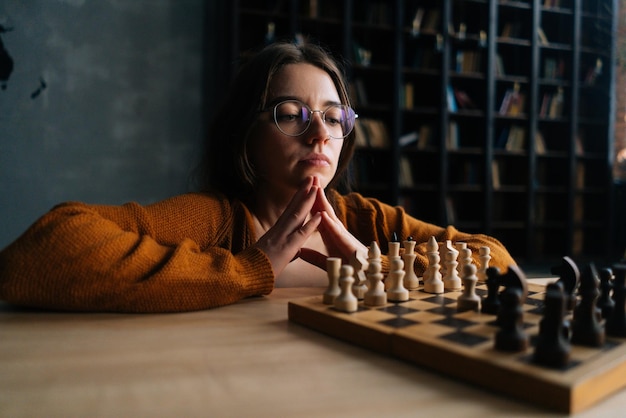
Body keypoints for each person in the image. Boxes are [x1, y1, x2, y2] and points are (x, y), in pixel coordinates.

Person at [0, 41, 516, 313]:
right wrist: (251, 267)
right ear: (245, 135)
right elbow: (38, 255)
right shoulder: (218, 220)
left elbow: (496, 258)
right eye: (291, 114)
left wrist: (371, 263)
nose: (319, 135)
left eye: (334, 117)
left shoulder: (364, 218)